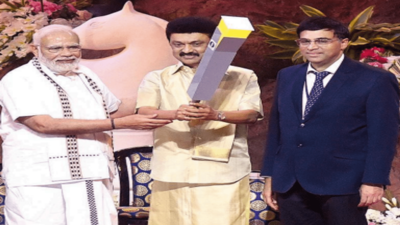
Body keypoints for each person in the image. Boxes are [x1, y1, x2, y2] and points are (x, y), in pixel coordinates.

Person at [0, 24, 171, 225]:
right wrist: (118, 124)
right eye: (55, 48)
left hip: (90, 170)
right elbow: (42, 124)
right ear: (34, 49)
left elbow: (114, 109)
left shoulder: (85, 74)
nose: (66, 54)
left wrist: (164, 96)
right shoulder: (19, 79)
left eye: (73, 47)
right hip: (40, 177)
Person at [261, 16, 399, 225]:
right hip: (290, 181)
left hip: (343, 181)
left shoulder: (375, 79)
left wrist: (374, 180)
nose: (312, 47)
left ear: (343, 43)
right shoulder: (287, 76)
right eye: (305, 41)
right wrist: (270, 176)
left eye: (322, 40)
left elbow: (383, 135)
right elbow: (276, 131)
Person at [136, 16, 263, 225]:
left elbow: (251, 114)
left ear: (213, 44)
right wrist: (176, 114)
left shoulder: (243, 76)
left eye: (196, 44)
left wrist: (216, 115)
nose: (187, 50)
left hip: (223, 171)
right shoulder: (156, 78)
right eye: (178, 44)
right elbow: (145, 111)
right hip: (172, 169)